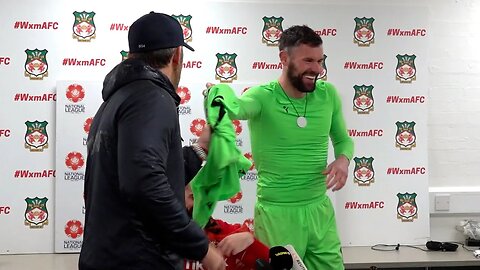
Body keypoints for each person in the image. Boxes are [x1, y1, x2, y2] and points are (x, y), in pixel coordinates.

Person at [78, 12, 225, 270]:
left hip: (112, 255)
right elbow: (144, 182)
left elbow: (142, 167)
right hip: (140, 259)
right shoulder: (152, 98)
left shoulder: (118, 99)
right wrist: (200, 248)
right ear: (177, 55)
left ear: (132, 56)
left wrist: (200, 150)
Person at [206, 25, 354, 269]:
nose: (317, 69)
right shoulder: (262, 97)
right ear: (284, 58)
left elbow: (343, 139)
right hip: (277, 214)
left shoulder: (328, 95)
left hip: (319, 209)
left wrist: (343, 160)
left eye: (320, 60)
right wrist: (217, 95)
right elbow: (236, 108)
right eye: (308, 60)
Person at [183, 140, 270, 270]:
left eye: (206, 197)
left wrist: (250, 241)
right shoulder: (153, 239)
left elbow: (268, 260)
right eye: (193, 197)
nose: (200, 204)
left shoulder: (220, 231)